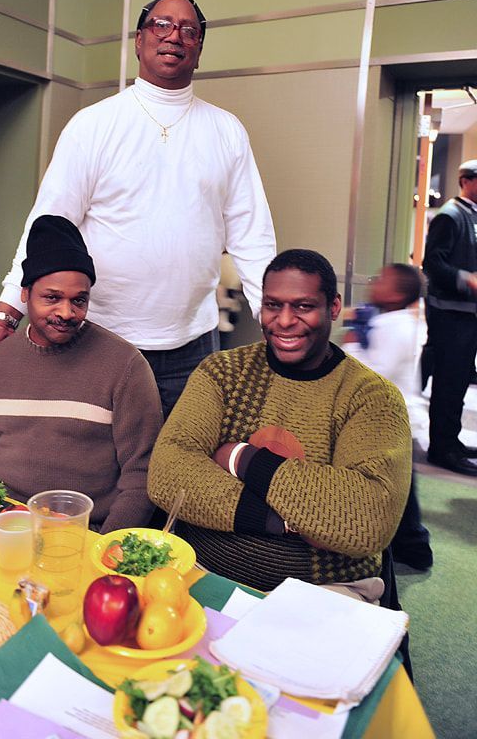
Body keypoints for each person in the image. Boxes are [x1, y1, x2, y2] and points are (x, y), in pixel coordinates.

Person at [0, 0, 276, 419]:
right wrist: (6, 315)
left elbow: (251, 233)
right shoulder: (94, 125)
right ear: (139, 40)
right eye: (161, 24)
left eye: (189, 30)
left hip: (194, 342)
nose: (174, 36)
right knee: (95, 465)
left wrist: (272, 316)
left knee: (177, 470)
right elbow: (47, 227)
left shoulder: (227, 131)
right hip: (101, 337)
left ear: (199, 50)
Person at [148, 249, 411, 600]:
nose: (284, 320)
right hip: (202, 567)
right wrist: (289, 520)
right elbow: (168, 472)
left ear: (333, 307)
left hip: (325, 588)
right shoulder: (223, 373)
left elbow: (366, 518)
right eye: (273, 305)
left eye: (303, 306)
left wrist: (241, 459)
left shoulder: (372, 396)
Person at [0, 216, 163, 533]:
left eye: (79, 300)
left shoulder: (125, 366)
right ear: (25, 293)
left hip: (83, 533)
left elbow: (142, 473)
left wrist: (104, 548)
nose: (66, 312)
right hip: (1, 524)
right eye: (52, 297)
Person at [342, 264, 433, 571]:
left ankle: (414, 547)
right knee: (401, 486)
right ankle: (410, 543)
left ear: (396, 294)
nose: (374, 282)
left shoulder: (396, 327)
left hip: (394, 419)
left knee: (398, 489)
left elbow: (374, 373)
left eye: (381, 280)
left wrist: (353, 339)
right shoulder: (394, 322)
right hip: (394, 418)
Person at [422, 159, 477, 476]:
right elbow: (433, 264)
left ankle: (451, 441)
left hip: (465, 314)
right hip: (449, 314)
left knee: (458, 382)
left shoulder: (469, 215)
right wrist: (466, 279)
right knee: (448, 382)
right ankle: (441, 449)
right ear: (466, 180)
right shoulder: (450, 215)